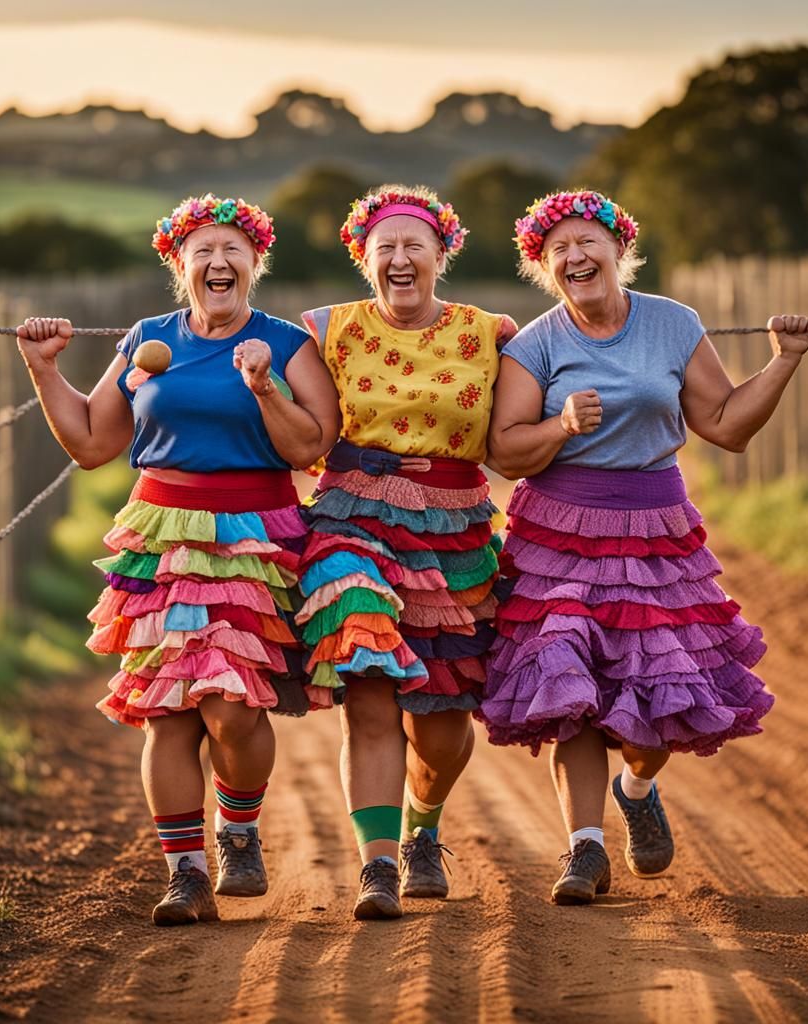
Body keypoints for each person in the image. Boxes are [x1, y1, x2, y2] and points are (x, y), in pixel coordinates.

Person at [479, 188, 808, 905]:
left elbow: (725, 424)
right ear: (543, 266)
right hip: (557, 535)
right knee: (566, 685)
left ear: (618, 250)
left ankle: (636, 789)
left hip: (655, 531)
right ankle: (584, 850)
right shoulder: (535, 344)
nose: (574, 256)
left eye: (586, 242)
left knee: (655, 702)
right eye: (557, 249)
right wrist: (561, 427)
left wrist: (784, 359)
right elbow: (506, 452)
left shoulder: (672, 323)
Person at [16, 193, 339, 925]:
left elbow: (311, 446)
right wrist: (43, 371)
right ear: (180, 264)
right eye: (203, 251)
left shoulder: (287, 344)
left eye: (234, 250)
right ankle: (186, 875)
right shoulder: (146, 338)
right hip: (161, 533)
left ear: (256, 263)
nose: (218, 262)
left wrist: (263, 386)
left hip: (256, 535)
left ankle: (240, 831)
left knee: (230, 708)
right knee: (167, 714)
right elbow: (95, 444)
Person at [298, 185, 518, 919]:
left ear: (439, 255)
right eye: (383, 247)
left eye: (413, 245)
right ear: (364, 258)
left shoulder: (493, 332)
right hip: (351, 515)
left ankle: (424, 827)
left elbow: (553, 386)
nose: (399, 258)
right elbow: (232, 361)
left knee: (444, 721)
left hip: (453, 529)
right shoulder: (324, 329)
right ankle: (379, 866)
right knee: (366, 685)